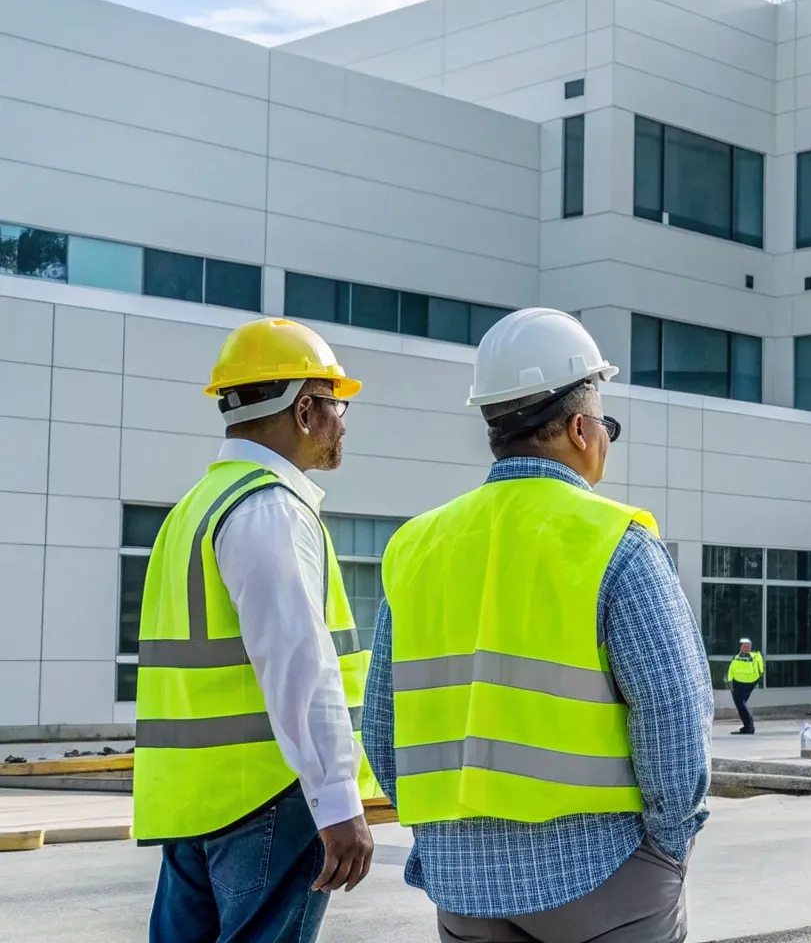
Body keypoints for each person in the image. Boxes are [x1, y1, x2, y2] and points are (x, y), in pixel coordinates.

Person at [364, 308, 712, 943]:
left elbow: (382, 732)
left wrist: (445, 836)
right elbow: (673, 717)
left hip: (462, 882)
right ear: (581, 429)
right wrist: (670, 844)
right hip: (603, 872)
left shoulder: (415, 547)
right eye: (607, 424)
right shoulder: (618, 543)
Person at [135, 318, 382, 942]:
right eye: (336, 403)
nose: (342, 420)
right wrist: (336, 800)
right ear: (304, 410)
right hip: (270, 798)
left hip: (193, 804)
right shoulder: (269, 507)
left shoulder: (196, 508)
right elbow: (300, 664)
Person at [727, 639, 765, 735]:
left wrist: (758, 681)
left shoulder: (756, 656)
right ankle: (747, 726)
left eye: (749, 646)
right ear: (740, 647)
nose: (747, 648)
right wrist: (730, 683)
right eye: (744, 646)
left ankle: (750, 726)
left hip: (749, 683)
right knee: (740, 705)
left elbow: (760, 670)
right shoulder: (736, 657)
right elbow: (731, 669)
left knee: (741, 704)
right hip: (737, 683)